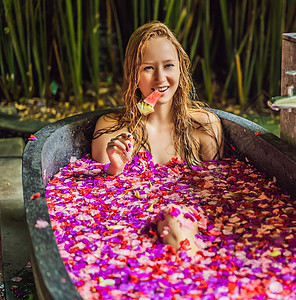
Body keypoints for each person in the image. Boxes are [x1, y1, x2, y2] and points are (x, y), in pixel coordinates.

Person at [91, 21, 223, 256]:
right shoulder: (110, 129)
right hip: (129, 228)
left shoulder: (204, 126)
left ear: (180, 69)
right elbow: (96, 198)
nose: (160, 78)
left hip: (193, 227)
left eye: (169, 65)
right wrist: (114, 169)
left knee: (175, 218)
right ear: (132, 73)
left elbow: (217, 189)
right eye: (148, 68)